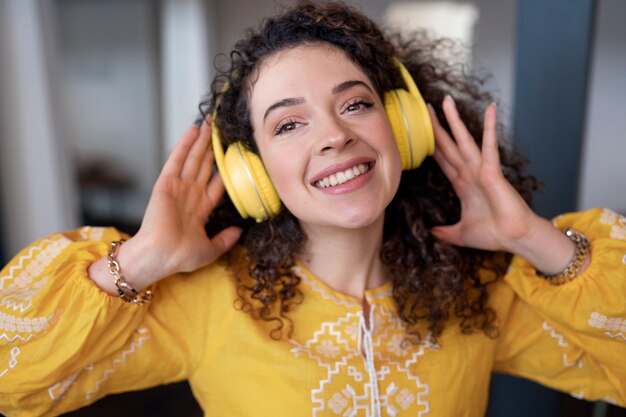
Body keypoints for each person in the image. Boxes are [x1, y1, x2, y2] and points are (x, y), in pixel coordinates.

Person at [1, 1, 624, 416]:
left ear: (402, 129)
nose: (333, 136)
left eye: (354, 105)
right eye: (289, 123)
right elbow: (11, 379)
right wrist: (138, 260)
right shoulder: (204, 302)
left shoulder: (480, 292)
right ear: (254, 173)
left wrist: (535, 240)